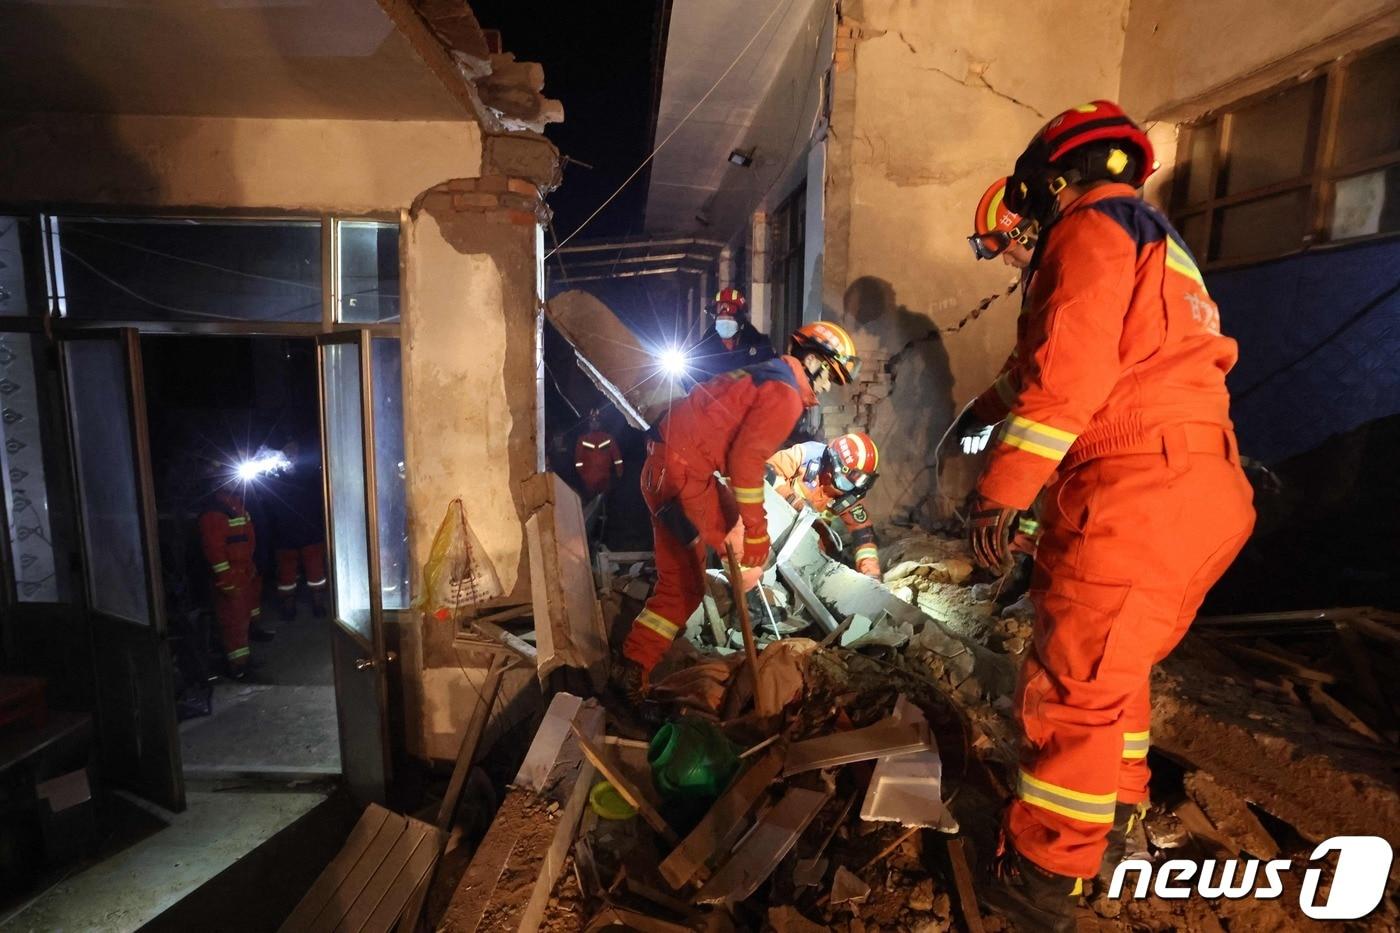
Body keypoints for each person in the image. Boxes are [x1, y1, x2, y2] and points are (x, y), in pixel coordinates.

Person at [966, 101, 1256, 931]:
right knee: (1113, 679)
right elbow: (1048, 359)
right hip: (1198, 486)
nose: (1022, 227)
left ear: (1052, 179)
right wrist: (984, 409)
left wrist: (1002, 490)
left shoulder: (1087, 230)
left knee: (1071, 690)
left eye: (1025, 207)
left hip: (1138, 485)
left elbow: (1071, 373)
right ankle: (1116, 822)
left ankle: (1043, 877)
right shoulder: (1149, 238)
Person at [614, 321, 861, 695]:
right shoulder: (785, 394)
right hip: (684, 475)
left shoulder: (766, 375)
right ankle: (632, 674)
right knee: (692, 582)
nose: (826, 388)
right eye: (828, 375)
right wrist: (758, 533)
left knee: (684, 583)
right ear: (811, 360)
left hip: (666, 468)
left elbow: (728, 445)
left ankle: (633, 670)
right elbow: (746, 462)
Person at [765, 432, 883, 579]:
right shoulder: (806, 455)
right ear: (838, 465)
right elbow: (768, 471)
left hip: (809, 540)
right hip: (774, 520)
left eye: (862, 479)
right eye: (855, 476)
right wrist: (793, 501)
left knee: (828, 560)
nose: (856, 484)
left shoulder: (849, 493)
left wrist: (872, 574)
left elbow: (864, 535)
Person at [198, 479, 262, 678]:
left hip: (242, 572)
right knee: (233, 622)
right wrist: (225, 576)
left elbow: (248, 537)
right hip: (231, 575)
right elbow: (214, 550)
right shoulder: (215, 511)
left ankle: (243, 660)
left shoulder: (235, 504)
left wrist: (249, 564)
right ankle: (238, 668)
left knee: (242, 618)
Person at [264, 437, 327, 621]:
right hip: (286, 535)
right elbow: (269, 504)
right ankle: (288, 607)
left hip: (308, 533)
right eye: (288, 453)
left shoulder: (310, 476)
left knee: (316, 573)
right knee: (286, 575)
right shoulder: (275, 476)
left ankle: (318, 604)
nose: (291, 457)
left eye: (294, 453)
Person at [688, 287, 774, 381]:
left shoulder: (760, 346)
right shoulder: (702, 350)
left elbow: (772, 381)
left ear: (740, 321)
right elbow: (691, 385)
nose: (725, 324)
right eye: (721, 319)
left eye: (729, 319)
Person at [573, 410, 624, 499]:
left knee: (606, 506)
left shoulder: (608, 438)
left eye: (596, 421)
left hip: (605, 480)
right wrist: (584, 476)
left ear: (600, 423)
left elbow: (617, 458)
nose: (594, 424)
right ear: (589, 424)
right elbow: (578, 461)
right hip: (588, 482)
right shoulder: (583, 440)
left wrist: (619, 474)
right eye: (592, 422)